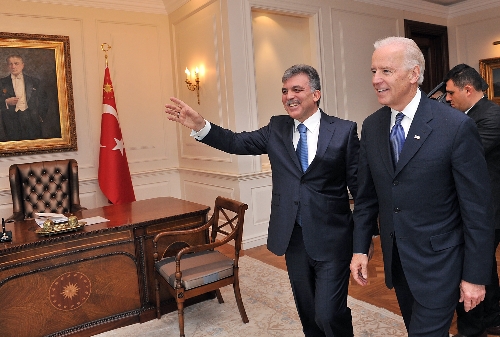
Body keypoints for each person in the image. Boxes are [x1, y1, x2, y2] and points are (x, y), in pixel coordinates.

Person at [165, 64, 374, 337]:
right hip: (293, 237)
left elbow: (361, 193)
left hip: (333, 239)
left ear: (316, 94)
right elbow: (236, 142)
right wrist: (201, 126)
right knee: (308, 314)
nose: (289, 96)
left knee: (329, 313)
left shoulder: (344, 131)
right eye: (285, 91)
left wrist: (362, 245)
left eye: (297, 89)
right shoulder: (277, 127)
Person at [350, 36, 495, 337]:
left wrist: (475, 277)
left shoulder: (454, 126)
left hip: (441, 265)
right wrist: (360, 249)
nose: (376, 79)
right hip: (398, 264)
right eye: (373, 71)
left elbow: (477, 209)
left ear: (414, 74)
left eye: (386, 71)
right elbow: (366, 197)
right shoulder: (372, 126)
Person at [445, 63, 500, 337]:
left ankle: (475, 326)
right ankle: (491, 317)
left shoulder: (492, 116)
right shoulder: (469, 115)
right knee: (485, 267)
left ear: (468, 89)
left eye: (451, 93)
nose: (447, 98)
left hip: (489, 209)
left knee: (476, 267)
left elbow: (466, 156)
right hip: (479, 208)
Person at [0, 54, 46, 141]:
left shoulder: (34, 81)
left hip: (31, 120)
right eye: (10, 64)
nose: (13, 66)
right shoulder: (1, 82)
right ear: (7, 66)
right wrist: (5, 101)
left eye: (16, 63)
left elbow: (44, 100)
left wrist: (40, 116)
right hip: (10, 121)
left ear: (22, 65)